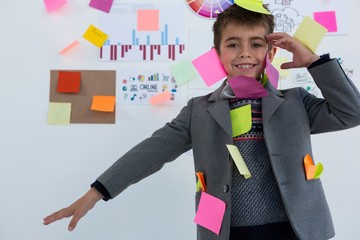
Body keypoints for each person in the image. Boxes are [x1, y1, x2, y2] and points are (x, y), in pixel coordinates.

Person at [43, 3, 360, 240]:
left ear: (271, 52)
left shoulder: (295, 103)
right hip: (227, 232)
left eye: (256, 44)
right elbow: (150, 152)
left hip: (298, 229)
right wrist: (96, 192)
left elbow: (352, 112)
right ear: (218, 53)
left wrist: (315, 62)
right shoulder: (199, 111)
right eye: (233, 44)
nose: (244, 53)